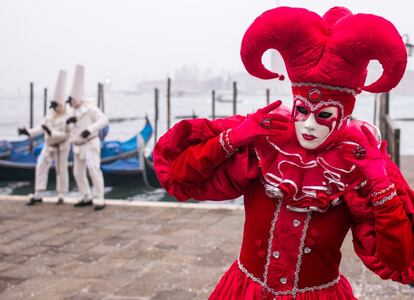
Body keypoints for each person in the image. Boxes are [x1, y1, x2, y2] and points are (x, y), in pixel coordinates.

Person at [154, 7, 414, 299]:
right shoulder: (264, 145)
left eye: (325, 114)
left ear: (344, 115)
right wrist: (232, 138)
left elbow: (398, 260)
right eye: (302, 110)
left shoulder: (359, 165)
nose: (309, 124)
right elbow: (180, 177)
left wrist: (380, 184)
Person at [19, 70, 71, 206]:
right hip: (49, 145)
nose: (54, 108)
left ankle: (61, 195)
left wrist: (50, 132)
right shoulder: (50, 114)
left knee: (61, 169)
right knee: (41, 165)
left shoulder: (68, 116)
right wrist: (28, 133)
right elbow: (42, 127)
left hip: (62, 146)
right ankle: (38, 193)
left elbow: (66, 134)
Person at [66, 65, 108, 211]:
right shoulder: (72, 112)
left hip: (90, 144)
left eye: (72, 99)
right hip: (77, 146)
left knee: (94, 170)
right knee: (77, 172)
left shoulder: (91, 109)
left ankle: (100, 198)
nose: (70, 101)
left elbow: (103, 120)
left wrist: (89, 130)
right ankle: (86, 195)